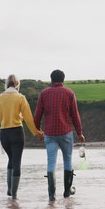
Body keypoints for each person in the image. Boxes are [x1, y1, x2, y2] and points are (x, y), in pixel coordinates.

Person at [34, 69, 85, 201]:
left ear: (51, 79)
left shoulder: (44, 94)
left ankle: (52, 195)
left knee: (51, 162)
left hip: (50, 134)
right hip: (66, 132)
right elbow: (75, 115)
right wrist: (80, 132)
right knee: (67, 160)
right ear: (63, 79)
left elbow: (37, 116)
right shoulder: (69, 93)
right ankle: (67, 192)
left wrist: (38, 131)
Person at [0, 74, 43, 200]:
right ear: (17, 85)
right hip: (17, 132)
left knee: (10, 159)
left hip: (4, 133)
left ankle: (9, 190)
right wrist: (37, 133)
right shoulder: (20, 97)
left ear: (6, 84)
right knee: (17, 161)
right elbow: (28, 118)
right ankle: (14, 195)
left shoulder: (0, 97)